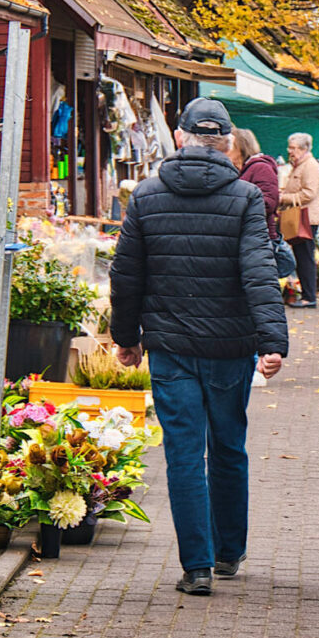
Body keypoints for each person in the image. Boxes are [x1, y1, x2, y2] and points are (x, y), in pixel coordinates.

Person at [109, 98, 289, 595]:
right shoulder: (246, 197)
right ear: (227, 143)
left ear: (181, 137)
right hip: (231, 345)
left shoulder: (146, 196)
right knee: (228, 444)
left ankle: (197, 566)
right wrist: (273, 341)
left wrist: (126, 338)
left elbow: (127, 276)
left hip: (169, 346)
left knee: (184, 451)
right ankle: (229, 551)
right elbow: (259, 272)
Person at [279, 132, 319, 308]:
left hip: (307, 218)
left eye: (293, 148)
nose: (290, 151)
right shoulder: (299, 165)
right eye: (289, 147)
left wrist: (284, 198)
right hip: (299, 217)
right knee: (301, 255)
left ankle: (309, 297)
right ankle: (306, 294)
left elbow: (309, 194)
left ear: (304, 149)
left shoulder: (310, 166)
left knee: (305, 257)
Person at [231, 128, 280, 241]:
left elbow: (268, 203)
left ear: (240, 148)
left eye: (230, 146)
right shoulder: (245, 168)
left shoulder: (261, 168)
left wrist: (235, 206)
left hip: (259, 236)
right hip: (250, 234)